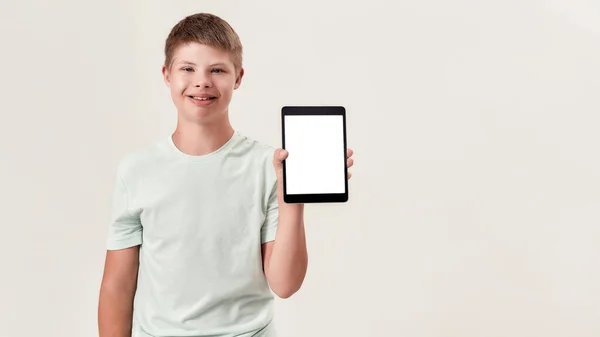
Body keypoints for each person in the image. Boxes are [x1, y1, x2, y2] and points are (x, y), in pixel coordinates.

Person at [97, 12, 354, 337]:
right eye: (187, 68)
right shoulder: (136, 171)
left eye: (217, 70)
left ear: (238, 77)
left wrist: (293, 197)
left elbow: (285, 284)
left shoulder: (268, 165)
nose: (202, 81)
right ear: (166, 74)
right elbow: (116, 287)